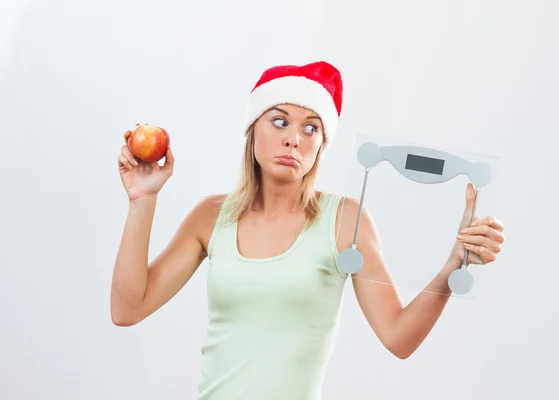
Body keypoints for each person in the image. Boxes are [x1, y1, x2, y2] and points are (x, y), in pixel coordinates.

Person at [110, 61, 505, 399]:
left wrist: (454, 264)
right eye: (279, 120)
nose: (293, 139)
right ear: (253, 132)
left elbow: (398, 338)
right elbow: (127, 309)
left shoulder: (344, 221)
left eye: (311, 128)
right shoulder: (211, 217)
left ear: (321, 145)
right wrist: (142, 201)